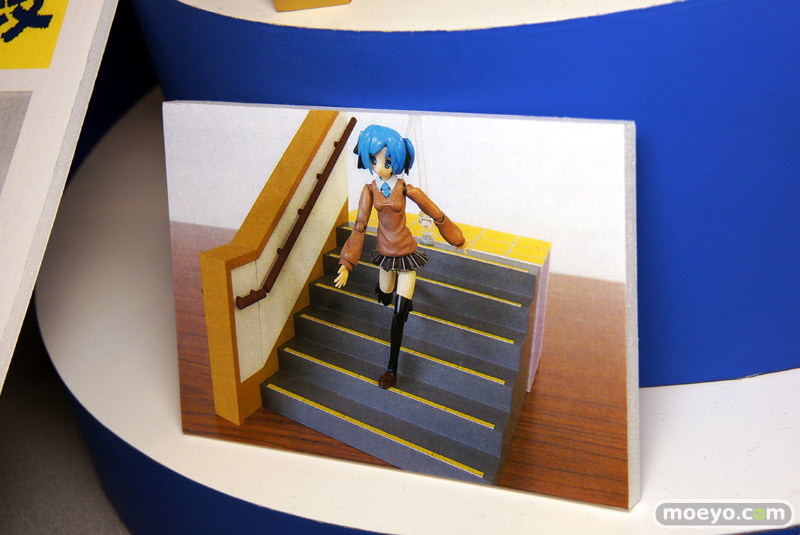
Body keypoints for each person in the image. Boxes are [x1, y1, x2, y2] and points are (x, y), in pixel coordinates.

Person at [334, 124, 466, 389]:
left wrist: (457, 239)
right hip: (385, 254)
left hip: (405, 253)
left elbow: (435, 212)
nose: (380, 167)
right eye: (374, 160)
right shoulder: (369, 190)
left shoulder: (406, 189)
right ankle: (387, 293)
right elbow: (360, 225)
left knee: (399, 313)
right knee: (385, 294)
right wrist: (347, 262)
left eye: (387, 162)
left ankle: (391, 369)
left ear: (397, 160)